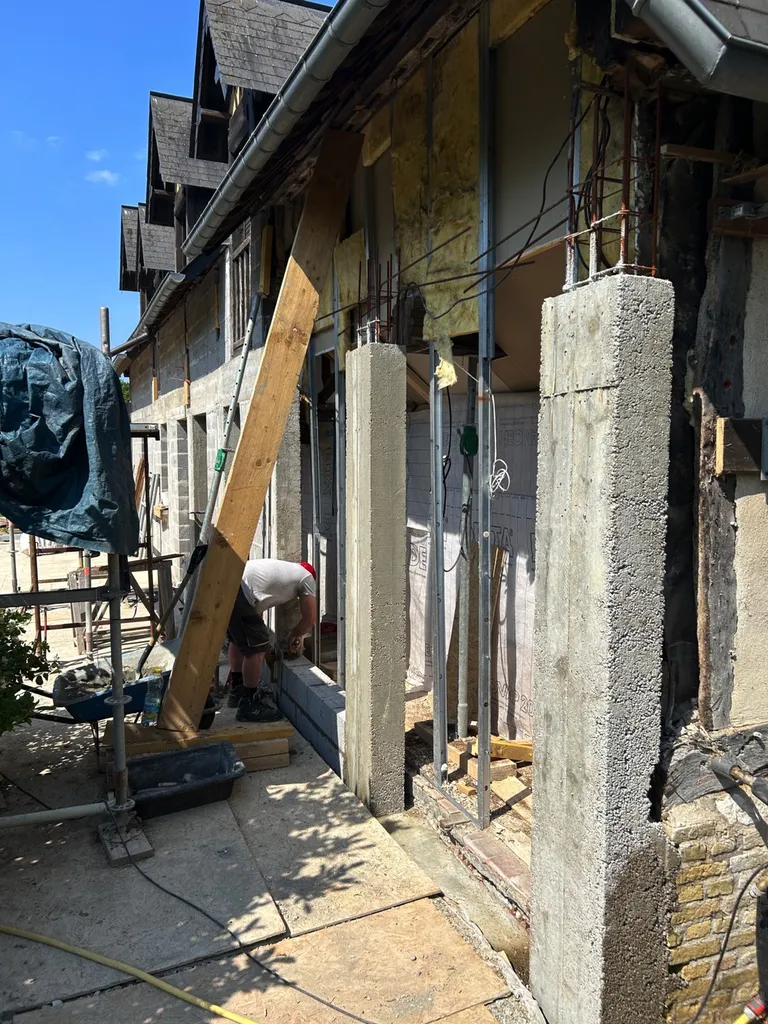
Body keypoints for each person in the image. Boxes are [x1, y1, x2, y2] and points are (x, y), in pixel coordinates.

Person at [226, 558, 316, 722]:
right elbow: (310, 619)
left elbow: (256, 614)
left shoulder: (278, 573)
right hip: (241, 590)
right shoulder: (307, 577)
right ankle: (249, 705)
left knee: (239, 640)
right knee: (255, 648)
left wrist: (266, 648)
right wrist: (295, 635)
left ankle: (237, 691)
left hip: (231, 581)